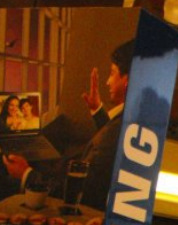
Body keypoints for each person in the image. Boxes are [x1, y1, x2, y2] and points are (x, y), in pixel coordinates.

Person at [7, 40, 134, 210]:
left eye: (112, 73)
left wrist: (25, 174)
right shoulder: (130, 120)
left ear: (128, 80)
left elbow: (76, 192)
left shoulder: (117, 130)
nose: (107, 82)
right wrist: (97, 110)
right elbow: (112, 143)